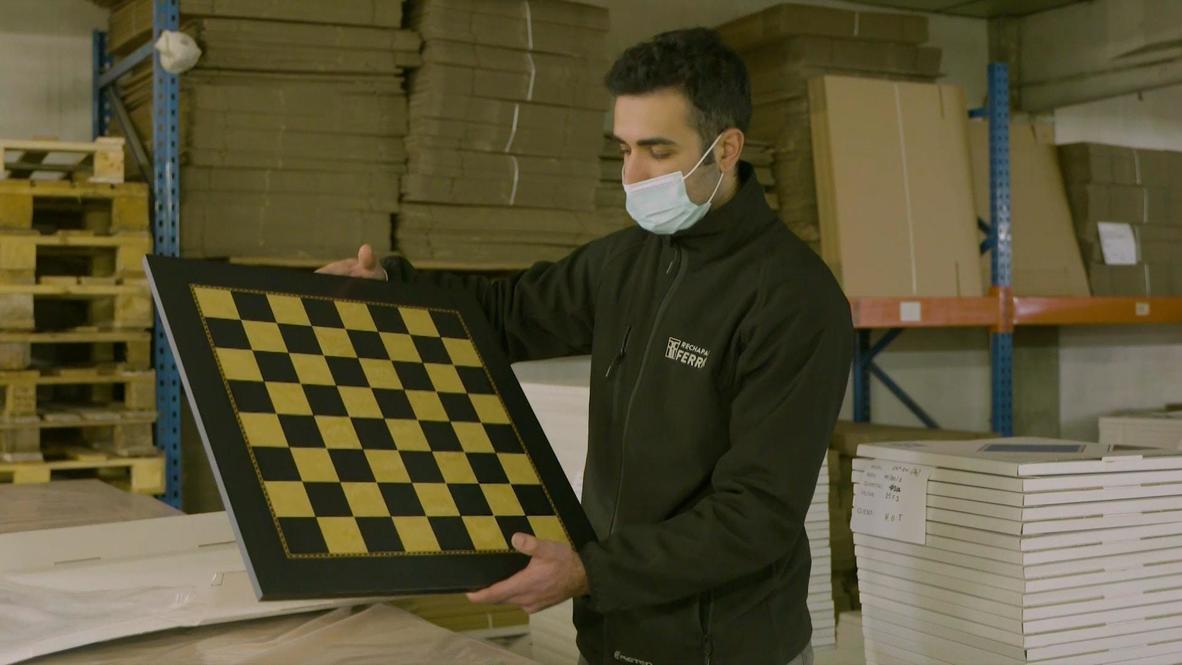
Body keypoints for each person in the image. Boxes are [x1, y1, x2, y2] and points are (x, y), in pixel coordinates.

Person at [318, 27, 852, 665]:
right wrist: (390, 290)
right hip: (611, 635)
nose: (632, 175)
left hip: (726, 648)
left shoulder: (793, 299)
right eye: (624, 148)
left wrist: (591, 570)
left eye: (657, 150)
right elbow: (507, 313)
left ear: (727, 148)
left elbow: (756, 515)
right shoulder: (626, 262)